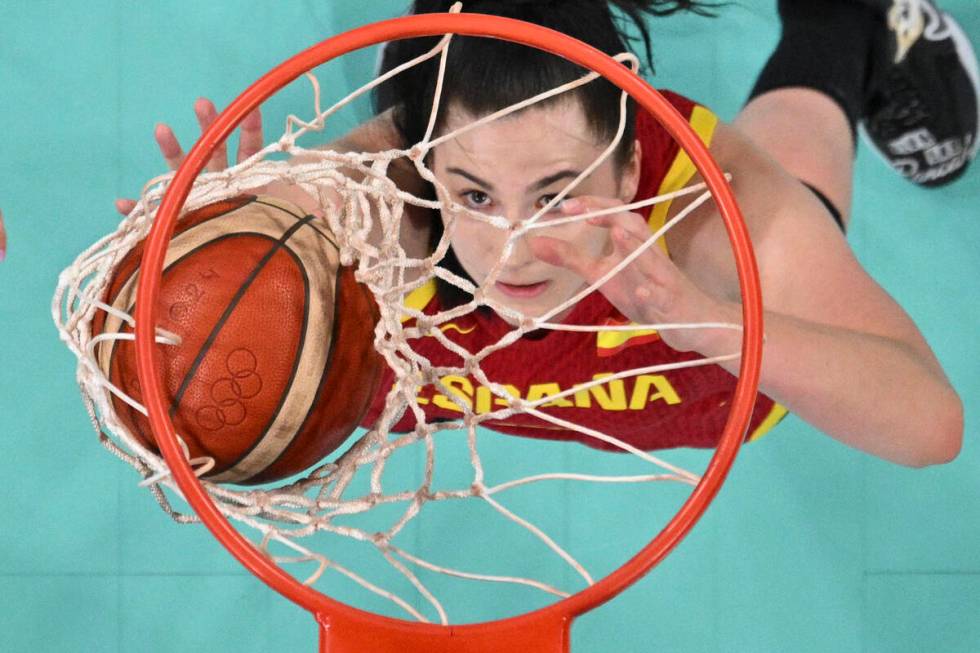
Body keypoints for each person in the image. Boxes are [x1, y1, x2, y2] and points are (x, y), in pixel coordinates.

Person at [117, 0, 975, 467]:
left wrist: (709, 322)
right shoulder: (359, 218)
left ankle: (847, 26)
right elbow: (176, 341)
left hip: (708, 382)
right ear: (431, 173)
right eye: (476, 195)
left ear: (629, 170)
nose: (516, 246)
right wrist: (214, 253)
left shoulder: (710, 224)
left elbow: (931, 422)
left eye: (559, 194)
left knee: (803, 162)